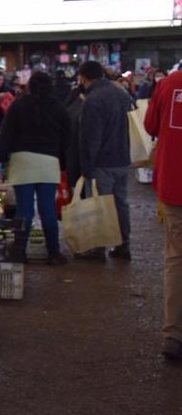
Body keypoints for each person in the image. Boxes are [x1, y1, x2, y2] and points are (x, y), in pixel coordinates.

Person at [0, 71, 70, 265]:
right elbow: (67, 136)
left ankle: (20, 252)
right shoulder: (58, 107)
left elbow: (6, 132)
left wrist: (3, 157)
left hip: (22, 161)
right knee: (47, 209)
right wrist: (63, 162)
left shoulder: (18, 105)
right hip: (48, 161)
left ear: (30, 86)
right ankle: (54, 252)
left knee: (25, 209)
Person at [77, 60, 135, 259]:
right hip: (122, 157)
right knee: (121, 203)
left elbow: (91, 137)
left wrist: (87, 167)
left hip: (101, 161)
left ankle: (99, 248)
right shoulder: (121, 93)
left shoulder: (93, 99)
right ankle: (123, 245)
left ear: (84, 77)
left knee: (99, 204)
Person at [144, 63, 182, 360]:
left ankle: (174, 335)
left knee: (176, 259)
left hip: (175, 185)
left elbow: (150, 126)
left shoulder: (169, 85)